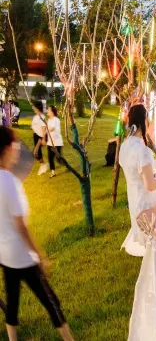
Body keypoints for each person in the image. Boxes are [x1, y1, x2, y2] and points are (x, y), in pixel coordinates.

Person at [0, 126, 75, 341]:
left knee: (12, 302)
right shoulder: (10, 183)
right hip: (22, 257)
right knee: (51, 302)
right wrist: (40, 256)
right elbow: (21, 226)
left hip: (5, 255)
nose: (17, 148)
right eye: (15, 145)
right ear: (6, 149)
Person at [120, 104, 156, 251]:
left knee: (149, 242)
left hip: (134, 198)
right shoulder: (142, 150)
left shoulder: (124, 146)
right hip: (146, 201)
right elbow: (150, 185)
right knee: (153, 242)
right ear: (143, 122)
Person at [44, 106, 63, 178]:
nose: (47, 111)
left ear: (52, 112)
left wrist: (46, 127)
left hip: (57, 142)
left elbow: (52, 128)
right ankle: (53, 173)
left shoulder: (56, 120)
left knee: (58, 159)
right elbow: (47, 130)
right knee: (50, 158)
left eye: (48, 110)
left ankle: (65, 164)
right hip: (50, 143)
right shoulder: (49, 120)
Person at [29, 102, 47, 175]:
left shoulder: (41, 116)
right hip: (36, 135)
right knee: (37, 152)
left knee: (35, 152)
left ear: (37, 108)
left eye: (34, 107)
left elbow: (44, 128)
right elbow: (33, 126)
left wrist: (43, 138)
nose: (33, 108)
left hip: (40, 136)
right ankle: (43, 165)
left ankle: (43, 165)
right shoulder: (35, 117)